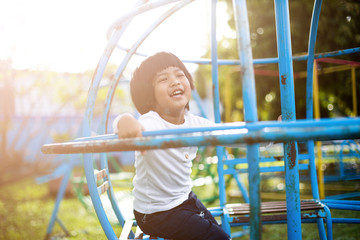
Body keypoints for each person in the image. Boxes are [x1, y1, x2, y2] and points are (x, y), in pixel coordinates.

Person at [113, 52, 230, 240]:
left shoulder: (195, 123)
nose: (175, 81)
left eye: (179, 74)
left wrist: (274, 133)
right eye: (163, 79)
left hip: (185, 199)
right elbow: (129, 124)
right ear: (149, 96)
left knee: (219, 234)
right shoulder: (151, 123)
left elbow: (232, 135)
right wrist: (124, 120)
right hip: (155, 213)